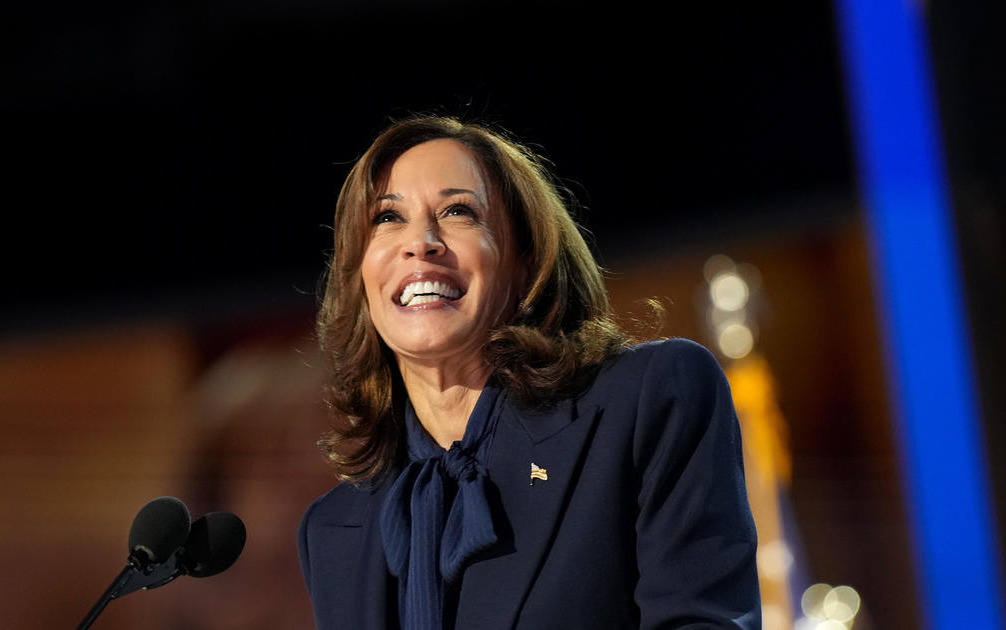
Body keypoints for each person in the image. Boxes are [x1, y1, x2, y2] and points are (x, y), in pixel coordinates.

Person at [297, 115, 761, 629]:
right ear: (359, 275)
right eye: (386, 218)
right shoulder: (334, 529)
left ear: (526, 261)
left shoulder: (648, 400)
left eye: (458, 211)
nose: (420, 242)